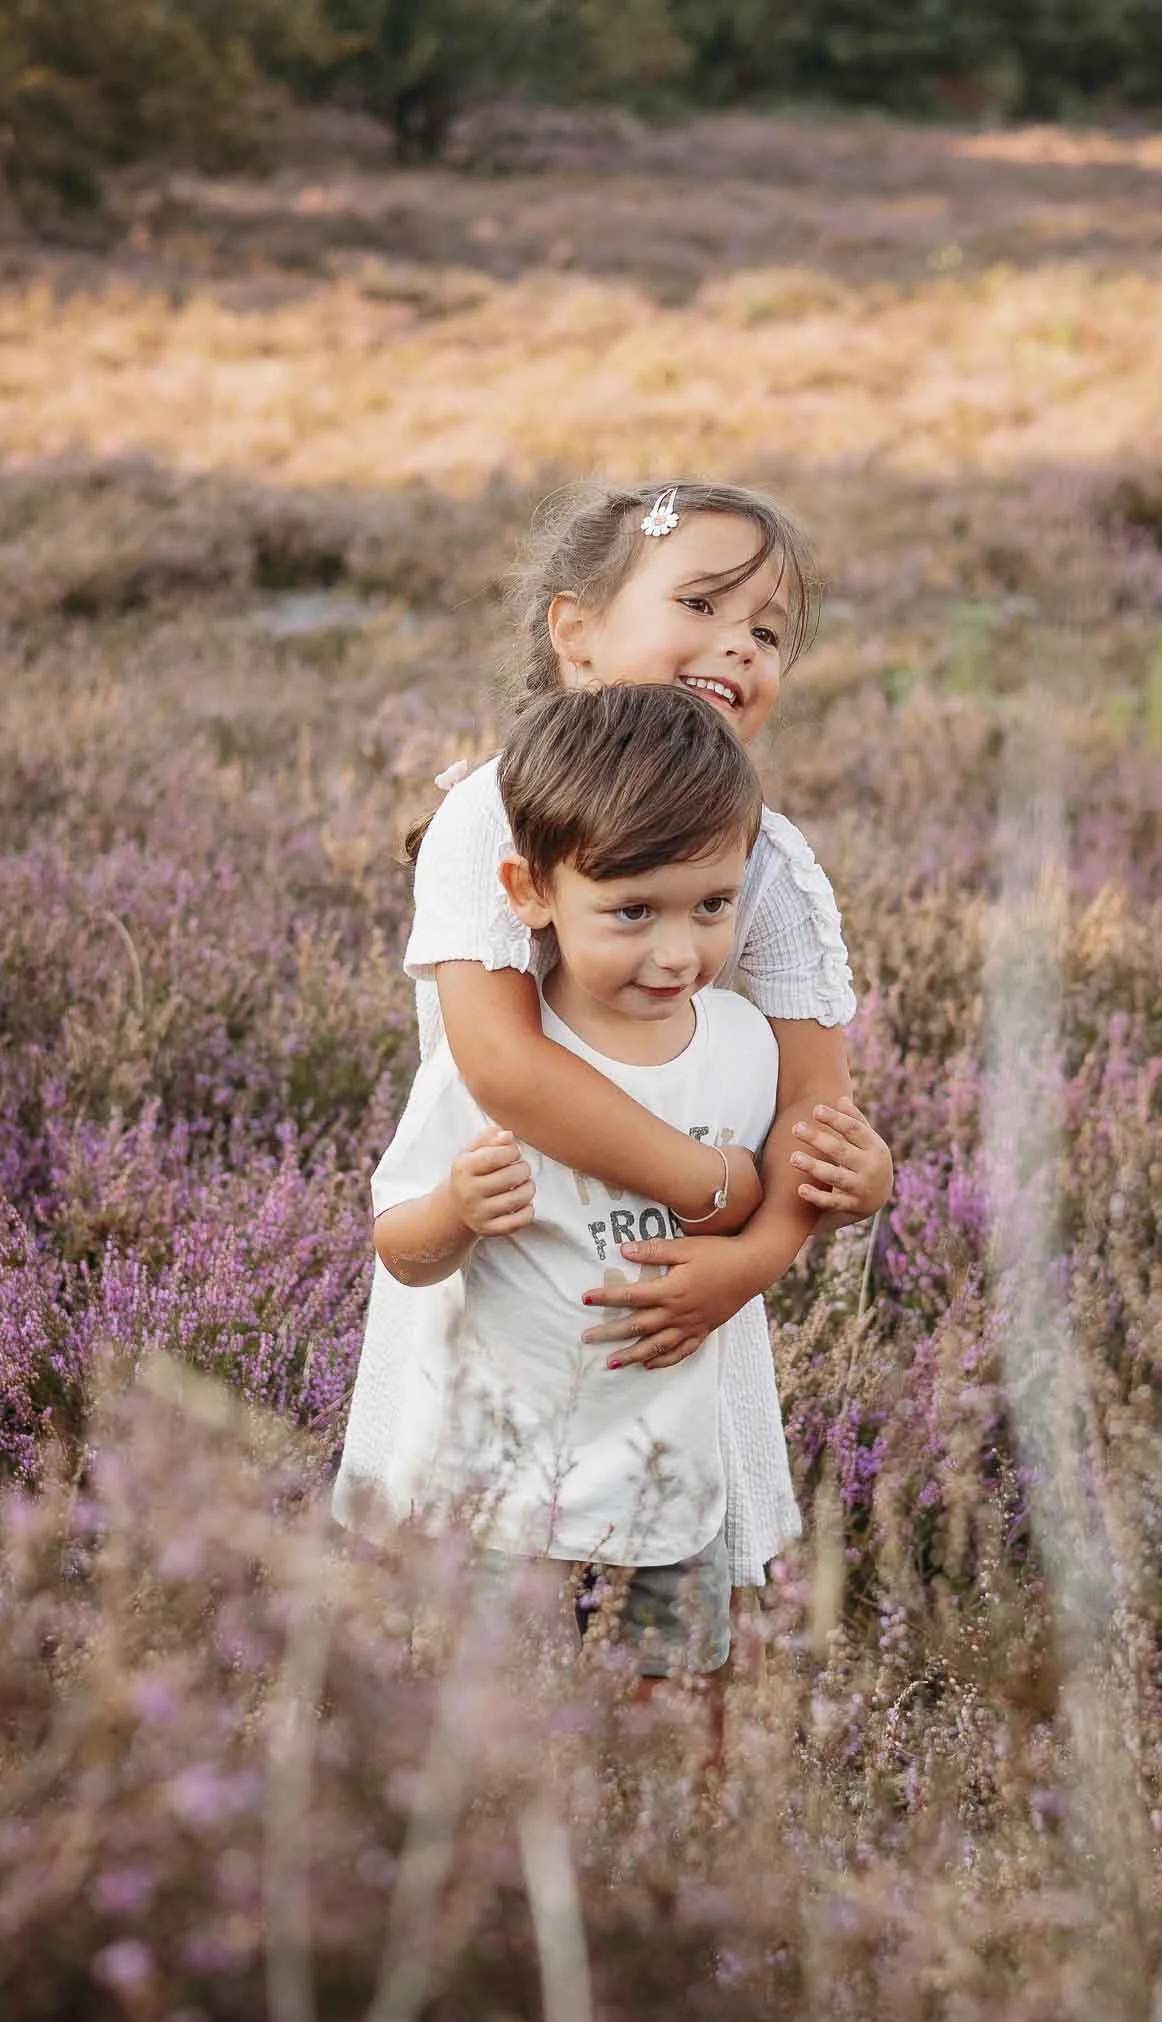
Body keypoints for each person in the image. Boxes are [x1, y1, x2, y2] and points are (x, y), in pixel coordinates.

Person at [335, 476, 893, 1607]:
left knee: (678, 1609)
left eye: (767, 631)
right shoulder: (488, 820)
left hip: (678, 1305)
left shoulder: (766, 865)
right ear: (576, 633)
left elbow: (813, 1116)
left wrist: (762, 1249)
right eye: (699, 605)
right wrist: (712, 1183)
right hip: (508, 1260)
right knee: (465, 1597)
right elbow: (505, 1065)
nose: (736, 648)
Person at [348, 680, 779, 1674]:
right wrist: (455, 1212)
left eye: (710, 906)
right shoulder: (488, 1066)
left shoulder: (740, 1047)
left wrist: (768, 1204)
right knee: (477, 1733)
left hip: (669, 1484)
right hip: (494, 1494)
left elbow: (774, 1188)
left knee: (666, 1719)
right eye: (631, 912)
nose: (677, 953)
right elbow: (400, 1252)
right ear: (528, 892)